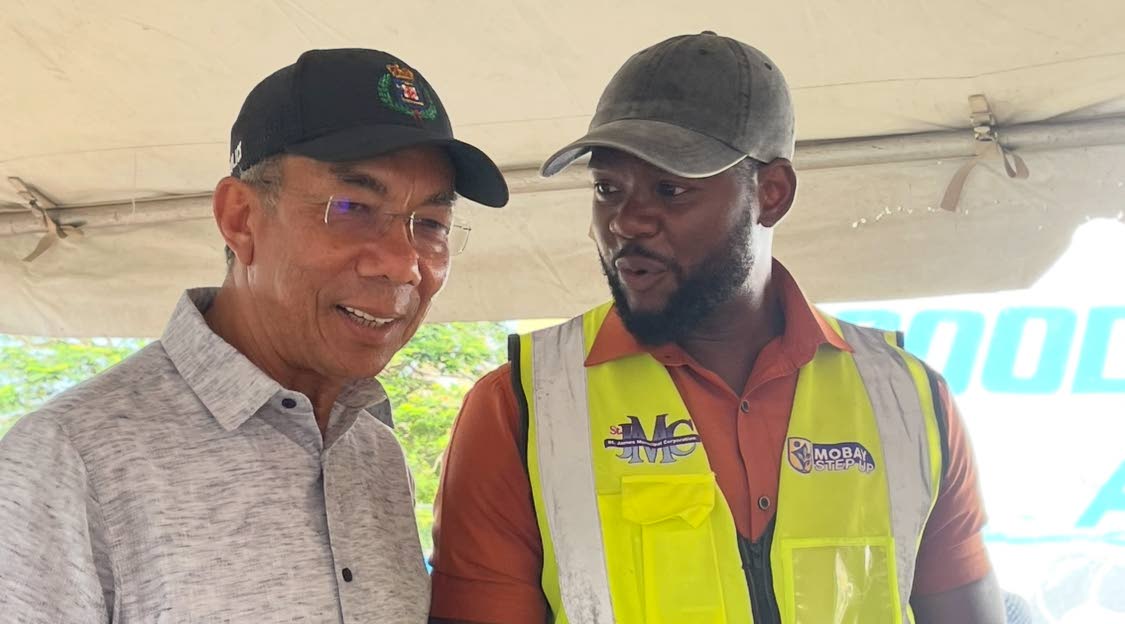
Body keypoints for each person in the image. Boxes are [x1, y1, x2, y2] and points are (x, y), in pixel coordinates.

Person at [429, 32, 1005, 624]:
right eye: (607, 188)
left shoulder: (907, 401)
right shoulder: (522, 406)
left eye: (670, 189)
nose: (626, 221)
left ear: (772, 194)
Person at [0, 48, 507, 623]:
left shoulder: (372, 450)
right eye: (353, 206)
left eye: (432, 224)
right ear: (241, 220)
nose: (402, 264)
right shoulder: (70, 460)